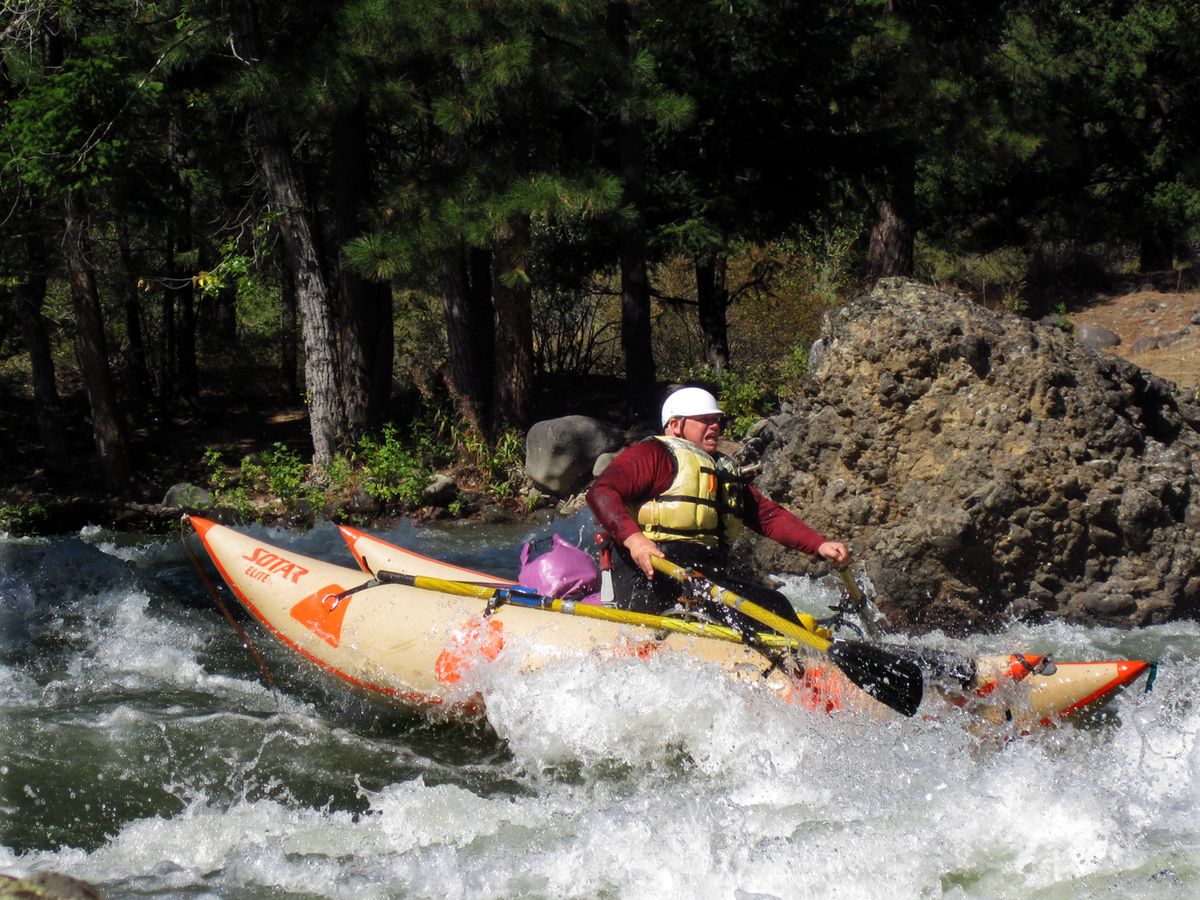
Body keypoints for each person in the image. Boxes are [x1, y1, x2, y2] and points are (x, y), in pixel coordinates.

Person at [586, 386, 849, 634]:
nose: (714, 426)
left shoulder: (720, 471)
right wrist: (636, 541)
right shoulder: (653, 454)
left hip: (703, 575)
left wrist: (819, 545)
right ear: (675, 425)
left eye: (716, 420)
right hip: (650, 574)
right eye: (704, 420)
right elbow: (601, 492)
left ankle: (801, 667)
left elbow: (767, 515)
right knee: (750, 608)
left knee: (775, 605)